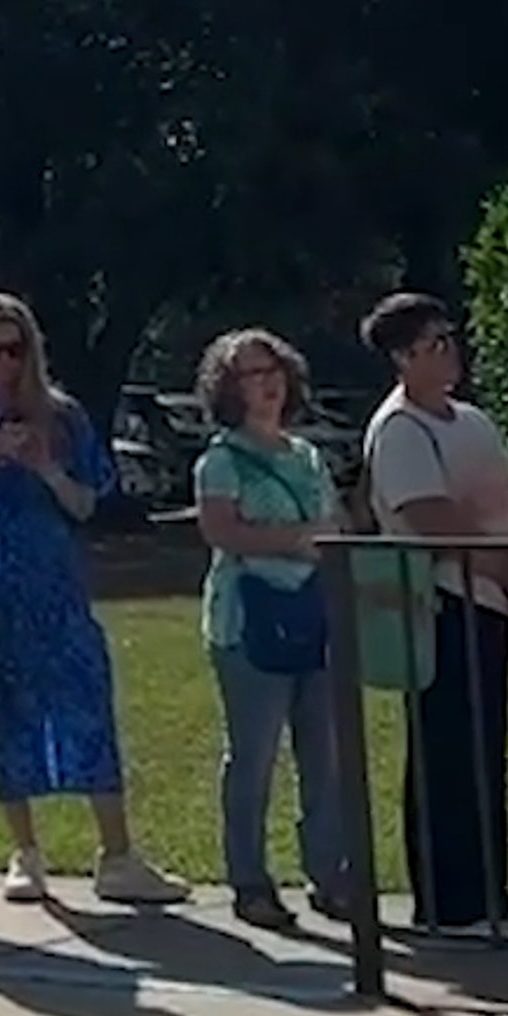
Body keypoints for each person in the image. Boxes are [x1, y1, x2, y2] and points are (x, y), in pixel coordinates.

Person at [0, 293, 187, 906]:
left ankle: (117, 854)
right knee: (2, 705)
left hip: (52, 572)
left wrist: (45, 467)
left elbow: (88, 503)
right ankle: (25, 851)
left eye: (15, 348)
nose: (4, 361)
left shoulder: (62, 416)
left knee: (85, 693)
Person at [359, 292, 508, 940]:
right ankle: (448, 903)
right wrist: (503, 573)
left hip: (490, 601)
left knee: (484, 748)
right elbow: (434, 520)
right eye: (433, 344)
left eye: (449, 338)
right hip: (443, 603)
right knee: (445, 751)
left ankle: (488, 895)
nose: (449, 351)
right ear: (403, 357)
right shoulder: (399, 429)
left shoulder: (472, 421)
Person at [191, 329, 352, 932]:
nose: (266, 383)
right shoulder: (221, 461)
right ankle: (250, 880)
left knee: (325, 754)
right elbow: (222, 531)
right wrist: (292, 539)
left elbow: (335, 524)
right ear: (228, 390)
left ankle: (328, 874)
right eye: (250, 375)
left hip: (313, 617)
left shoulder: (307, 457)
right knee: (254, 756)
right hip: (247, 624)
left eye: (272, 370)